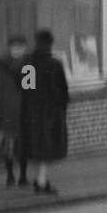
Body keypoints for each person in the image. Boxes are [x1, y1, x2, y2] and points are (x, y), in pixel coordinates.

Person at [19, 29, 70, 195]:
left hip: (31, 114)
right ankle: (41, 181)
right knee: (47, 149)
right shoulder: (55, 64)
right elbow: (62, 92)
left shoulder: (28, 63)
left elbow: (25, 89)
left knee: (36, 148)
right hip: (50, 114)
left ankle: (41, 179)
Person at [0, 35, 28, 188]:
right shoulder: (0, 67)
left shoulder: (28, 66)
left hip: (24, 113)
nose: (17, 51)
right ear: (10, 48)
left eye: (20, 48)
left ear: (24, 49)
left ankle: (23, 177)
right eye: (14, 48)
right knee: (8, 145)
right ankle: (10, 175)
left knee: (24, 146)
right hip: (7, 113)